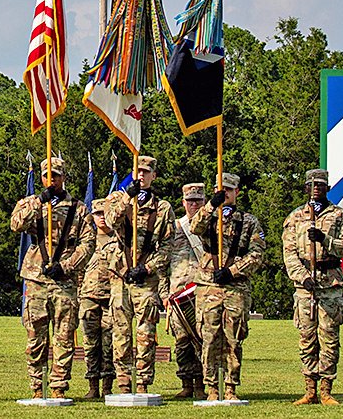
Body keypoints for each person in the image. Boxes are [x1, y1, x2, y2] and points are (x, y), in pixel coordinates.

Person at [11, 156, 92, 400]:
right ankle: (37, 386)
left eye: (56, 175)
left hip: (63, 281)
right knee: (35, 336)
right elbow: (16, 224)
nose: (52, 180)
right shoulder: (30, 202)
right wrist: (38, 202)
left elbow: (88, 243)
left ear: (64, 178)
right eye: (48, 175)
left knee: (64, 336)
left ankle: (58, 386)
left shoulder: (78, 208)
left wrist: (67, 266)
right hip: (36, 278)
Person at [186, 171, 266, 402]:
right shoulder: (208, 216)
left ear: (236, 193)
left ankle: (230, 386)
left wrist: (232, 271)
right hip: (208, 286)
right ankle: (211, 387)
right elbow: (195, 228)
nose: (225, 194)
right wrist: (211, 205)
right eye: (221, 190)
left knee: (233, 337)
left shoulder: (248, 221)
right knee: (209, 337)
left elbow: (257, 254)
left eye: (229, 190)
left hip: (235, 287)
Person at [281, 168, 343, 405]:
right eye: (312, 185)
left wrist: (325, 240)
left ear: (328, 188)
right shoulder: (295, 217)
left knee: (329, 338)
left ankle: (326, 389)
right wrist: (301, 275)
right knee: (306, 338)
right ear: (305, 188)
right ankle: (309, 389)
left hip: (329, 284)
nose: (317, 189)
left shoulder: (340, 216)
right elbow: (289, 252)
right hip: (305, 287)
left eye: (321, 185)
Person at [104, 154, 174, 394]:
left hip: (146, 279)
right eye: (138, 172)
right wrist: (128, 196)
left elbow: (167, 247)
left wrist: (147, 268)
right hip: (121, 277)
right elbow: (111, 221)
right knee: (120, 333)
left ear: (154, 176)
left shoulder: (162, 208)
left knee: (146, 334)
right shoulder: (118, 198)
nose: (141, 176)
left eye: (146, 172)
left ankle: (143, 383)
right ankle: (123, 382)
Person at [166, 182, 209, 399]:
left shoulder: (212, 226)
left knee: (202, 340)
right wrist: (165, 294)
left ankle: (202, 384)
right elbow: (164, 263)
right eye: (190, 201)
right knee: (182, 342)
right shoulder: (174, 228)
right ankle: (186, 383)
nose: (194, 205)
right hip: (178, 294)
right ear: (183, 203)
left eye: (198, 201)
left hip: (204, 292)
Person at [77, 198, 120, 399]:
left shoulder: (119, 238)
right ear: (92, 216)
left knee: (110, 343)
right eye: (97, 214)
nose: (101, 217)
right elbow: (77, 269)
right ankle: (93, 385)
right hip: (88, 297)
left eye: (104, 213)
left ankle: (107, 387)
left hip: (111, 296)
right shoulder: (86, 240)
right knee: (90, 344)